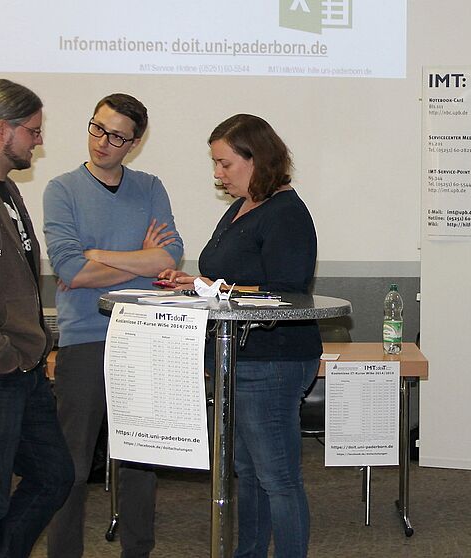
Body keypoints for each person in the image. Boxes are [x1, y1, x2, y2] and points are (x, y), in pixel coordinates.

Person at [158, 114, 321, 558]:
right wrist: (192, 282)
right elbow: (225, 276)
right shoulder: (239, 208)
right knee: (247, 473)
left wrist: (213, 287)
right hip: (240, 357)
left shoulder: (286, 213)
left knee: (278, 478)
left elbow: (286, 289)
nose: (218, 174)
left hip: (273, 359)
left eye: (225, 163)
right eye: (215, 164)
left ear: (258, 159)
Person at [42, 93, 184, 558]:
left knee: (140, 460)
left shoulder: (149, 187)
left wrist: (98, 255)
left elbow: (169, 256)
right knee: (73, 464)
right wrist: (137, 263)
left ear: (134, 143)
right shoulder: (61, 189)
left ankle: (137, 551)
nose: (102, 142)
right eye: (97, 128)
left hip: (144, 336)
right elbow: (70, 272)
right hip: (85, 338)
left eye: (117, 136)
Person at [0, 79, 75, 557]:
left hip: (18, 371)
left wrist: (28, 352)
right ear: (1, 130)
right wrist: (2, 356)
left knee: (54, 476)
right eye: (33, 130)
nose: (38, 140)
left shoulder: (1, 189)